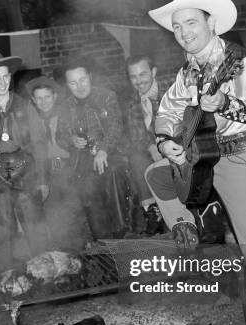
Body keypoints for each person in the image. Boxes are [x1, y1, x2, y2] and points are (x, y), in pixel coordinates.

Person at [146, 0, 246, 325]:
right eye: (176, 26)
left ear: (211, 23)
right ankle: (190, 229)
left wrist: (226, 103)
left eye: (191, 22)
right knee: (156, 174)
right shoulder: (186, 73)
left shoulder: (243, 64)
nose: (184, 32)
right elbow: (167, 113)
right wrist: (164, 141)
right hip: (205, 160)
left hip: (243, 156)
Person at [0, 50, 50, 267]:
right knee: (2, 229)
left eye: (6, 76)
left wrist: (42, 180)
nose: (3, 81)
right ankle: (6, 275)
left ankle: (44, 272)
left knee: (34, 225)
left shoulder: (25, 105)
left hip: (27, 171)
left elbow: (40, 144)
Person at [56, 55, 130, 240]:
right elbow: (60, 136)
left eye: (82, 80)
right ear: (67, 85)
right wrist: (71, 140)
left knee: (112, 175)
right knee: (87, 193)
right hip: (81, 162)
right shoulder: (65, 106)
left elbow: (115, 126)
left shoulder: (107, 96)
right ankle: (101, 242)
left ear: (90, 76)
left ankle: (120, 232)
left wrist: (104, 149)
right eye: (73, 83)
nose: (79, 86)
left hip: (111, 156)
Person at [26, 75, 91, 252]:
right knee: (53, 216)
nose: (44, 102)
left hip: (68, 169)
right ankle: (62, 255)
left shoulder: (66, 115)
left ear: (55, 96)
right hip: (45, 173)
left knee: (74, 213)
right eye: (39, 98)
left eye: (47, 97)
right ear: (33, 100)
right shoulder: (31, 121)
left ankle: (82, 252)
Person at [122, 54, 166, 235]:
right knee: (136, 158)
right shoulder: (133, 103)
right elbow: (136, 136)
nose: (138, 81)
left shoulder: (169, 91)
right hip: (152, 149)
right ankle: (152, 211)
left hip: (177, 144)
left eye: (142, 74)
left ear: (153, 72)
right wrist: (151, 146)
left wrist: (163, 144)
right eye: (133, 77)